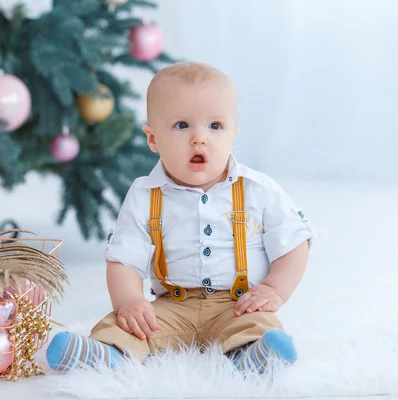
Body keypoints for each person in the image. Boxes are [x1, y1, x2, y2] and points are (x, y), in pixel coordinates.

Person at [46, 62, 314, 373]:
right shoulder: (145, 195)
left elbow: (294, 242)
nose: (200, 138)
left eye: (215, 126)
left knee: (261, 324)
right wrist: (130, 301)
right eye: (182, 125)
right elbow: (123, 259)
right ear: (153, 139)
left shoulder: (258, 189)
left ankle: (253, 356)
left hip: (238, 304)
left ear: (232, 136)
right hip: (171, 306)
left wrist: (273, 289)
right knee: (129, 323)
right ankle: (107, 355)